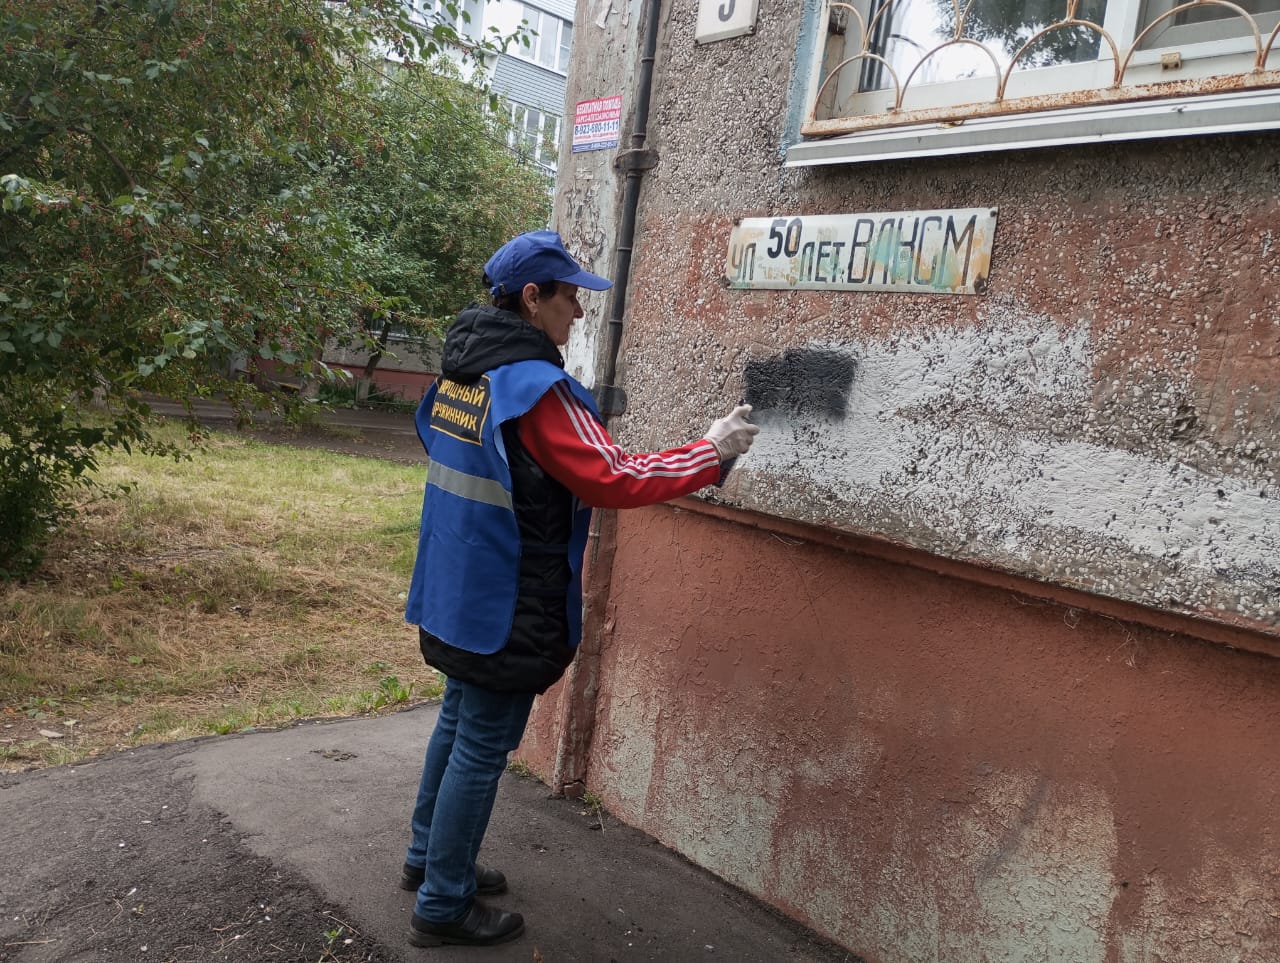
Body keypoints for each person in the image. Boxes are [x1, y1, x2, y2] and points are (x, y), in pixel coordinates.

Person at [399, 230, 759, 948]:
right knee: (481, 742)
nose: (581, 312)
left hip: (452, 584)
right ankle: (443, 901)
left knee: (457, 720)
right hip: (505, 597)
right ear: (532, 299)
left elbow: (437, 443)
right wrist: (710, 451)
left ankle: (428, 859)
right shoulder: (535, 387)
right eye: (570, 296)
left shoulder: (460, 374)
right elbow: (612, 475)